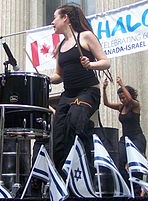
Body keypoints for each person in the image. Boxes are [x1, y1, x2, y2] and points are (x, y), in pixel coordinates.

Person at [50, 4, 110, 179]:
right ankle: (63, 178)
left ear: (65, 18)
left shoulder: (85, 36)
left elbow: (105, 62)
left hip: (88, 91)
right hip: (68, 94)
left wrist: (90, 64)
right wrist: (45, 79)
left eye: (55, 17)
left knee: (75, 122)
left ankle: (87, 173)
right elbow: (58, 76)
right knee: (58, 136)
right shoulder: (60, 46)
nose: (52, 22)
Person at [103, 76, 146, 196]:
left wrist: (121, 84)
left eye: (124, 97)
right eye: (120, 98)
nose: (122, 100)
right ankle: (126, 188)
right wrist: (104, 88)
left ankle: (138, 191)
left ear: (129, 95)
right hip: (125, 139)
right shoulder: (121, 107)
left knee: (135, 164)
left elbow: (130, 99)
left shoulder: (135, 105)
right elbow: (106, 103)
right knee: (120, 162)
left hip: (137, 138)